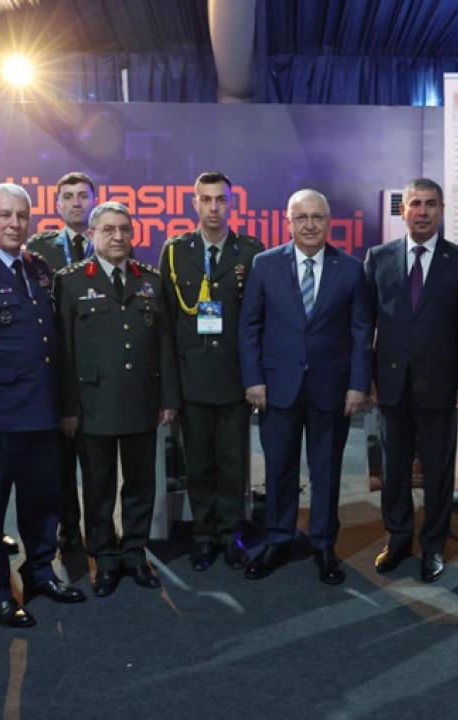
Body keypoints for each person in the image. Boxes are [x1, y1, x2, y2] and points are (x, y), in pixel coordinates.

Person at [0, 183, 86, 630]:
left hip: (40, 411)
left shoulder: (37, 266)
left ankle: (40, 571)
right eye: (4, 215)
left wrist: (62, 406)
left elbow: (51, 344)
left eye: (21, 216)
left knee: (42, 501)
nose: (14, 224)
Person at [238, 189, 372, 584]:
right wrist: (253, 379)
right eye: (302, 218)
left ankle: (324, 544)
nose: (310, 225)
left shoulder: (351, 268)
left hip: (332, 387)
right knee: (279, 467)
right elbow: (249, 326)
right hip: (277, 386)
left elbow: (361, 332)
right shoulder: (265, 264)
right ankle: (279, 538)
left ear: (328, 222)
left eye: (317, 217)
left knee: (326, 469)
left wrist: (358, 384)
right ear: (289, 222)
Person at [56, 202, 180, 596]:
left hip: (142, 399)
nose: (118, 236)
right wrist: (68, 407)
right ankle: (105, 559)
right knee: (98, 487)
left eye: (124, 229)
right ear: (92, 234)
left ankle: (134, 553)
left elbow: (164, 342)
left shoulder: (151, 279)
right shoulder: (71, 281)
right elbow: (63, 351)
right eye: (109, 229)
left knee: (141, 484)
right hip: (93, 404)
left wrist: (168, 397)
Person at [364, 177, 458, 584]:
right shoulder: (378, 258)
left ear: (441, 210)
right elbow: (365, 324)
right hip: (390, 384)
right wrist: (365, 378)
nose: (422, 212)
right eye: (415, 204)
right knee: (394, 468)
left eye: (430, 204)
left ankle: (434, 545)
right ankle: (397, 539)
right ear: (403, 210)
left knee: (439, 471)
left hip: (441, 384)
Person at [158, 172, 262, 572]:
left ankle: (230, 533)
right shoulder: (174, 252)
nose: (214, 207)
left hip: (235, 379)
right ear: (195, 204)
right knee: (198, 463)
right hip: (192, 379)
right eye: (206, 199)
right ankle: (203, 534)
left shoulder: (250, 252)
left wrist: (256, 379)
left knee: (232, 462)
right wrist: (169, 390)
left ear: (231, 203)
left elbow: (258, 322)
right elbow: (166, 326)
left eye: (221, 199)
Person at [26, 171, 96, 553]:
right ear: (56, 205)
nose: (76, 202)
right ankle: (68, 526)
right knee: (61, 461)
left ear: (94, 201)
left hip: (99, 367)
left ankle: (100, 528)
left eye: (82, 195)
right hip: (57, 367)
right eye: (68, 196)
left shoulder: (111, 240)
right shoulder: (40, 250)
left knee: (97, 459)